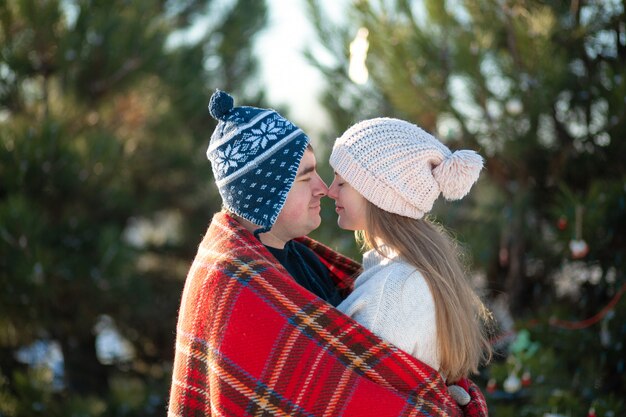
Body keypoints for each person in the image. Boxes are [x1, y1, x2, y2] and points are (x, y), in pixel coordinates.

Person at [168, 91, 489, 416]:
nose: (324, 189)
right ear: (268, 195)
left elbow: (353, 387)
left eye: (338, 180)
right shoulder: (233, 286)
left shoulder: (313, 262)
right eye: (306, 176)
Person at [328, 117, 493, 396]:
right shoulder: (414, 270)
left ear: (376, 194)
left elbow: (349, 394)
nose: (330, 191)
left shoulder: (392, 290)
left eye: (342, 182)